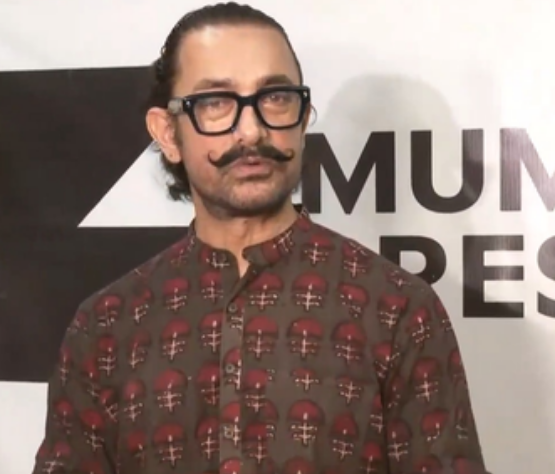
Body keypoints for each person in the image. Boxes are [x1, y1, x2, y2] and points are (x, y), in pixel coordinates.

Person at [31, 2, 492, 473]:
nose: (251, 131)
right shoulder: (106, 326)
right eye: (216, 102)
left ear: (303, 116)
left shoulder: (397, 309)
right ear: (167, 132)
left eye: (275, 97)